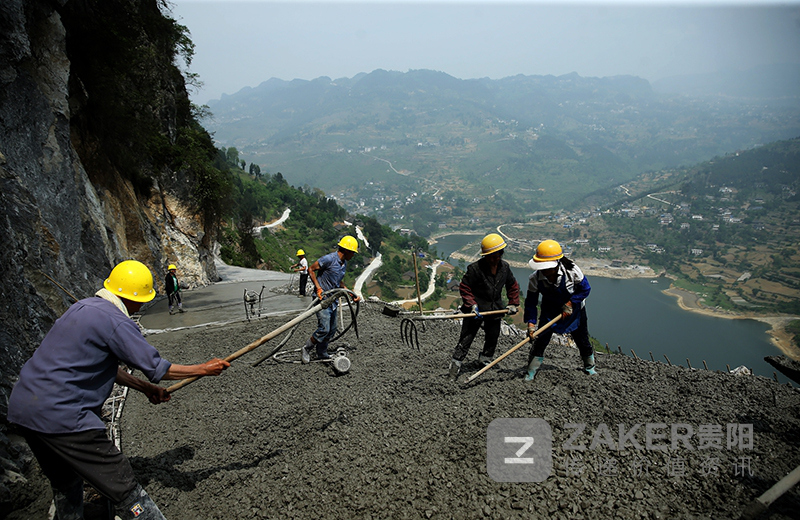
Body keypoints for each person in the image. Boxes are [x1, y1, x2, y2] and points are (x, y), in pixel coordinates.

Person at [7, 260, 230, 520]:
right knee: (122, 485)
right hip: (63, 414)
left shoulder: (81, 308)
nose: (142, 306)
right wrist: (203, 368)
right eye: (143, 301)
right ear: (135, 299)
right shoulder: (115, 321)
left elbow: (102, 367)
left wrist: (145, 388)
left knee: (66, 481)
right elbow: (157, 368)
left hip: (25, 410)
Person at [448, 233, 520, 380]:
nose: (495, 259)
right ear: (485, 256)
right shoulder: (475, 269)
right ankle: (455, 366)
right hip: (476, 310)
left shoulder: (505, 268)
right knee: (466, 338)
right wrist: (472, 305)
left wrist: (513, 303)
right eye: (491, 256)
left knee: (493, 337)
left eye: (498, 255)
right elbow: (465, 288)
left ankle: (485, 360)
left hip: (495, 309)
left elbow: (512, 285)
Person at [523, 239, 595, 381]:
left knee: (582, 339)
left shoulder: (572, 271)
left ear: (557, 263)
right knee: (541, 339)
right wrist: (531, 324)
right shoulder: (535, 278)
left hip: (574, 311)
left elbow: (585, 289)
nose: (545, 271)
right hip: (550, 311)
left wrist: (570, 303)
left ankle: (589, 366)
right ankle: (531, 371)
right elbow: (531, 303)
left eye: (548, 267)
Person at [301, 236, 360, 364]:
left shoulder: (344, 263)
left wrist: (351, 294)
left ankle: (321, 352)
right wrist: (318, 288)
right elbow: (311, 269)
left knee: (332, 329)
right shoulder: (329, 259)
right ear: (346, 250)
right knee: (324, 329)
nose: (354, 255)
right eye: (353, 252)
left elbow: (338, 282)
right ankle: (306, 348)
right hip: (322, 299)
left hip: (332, 300)